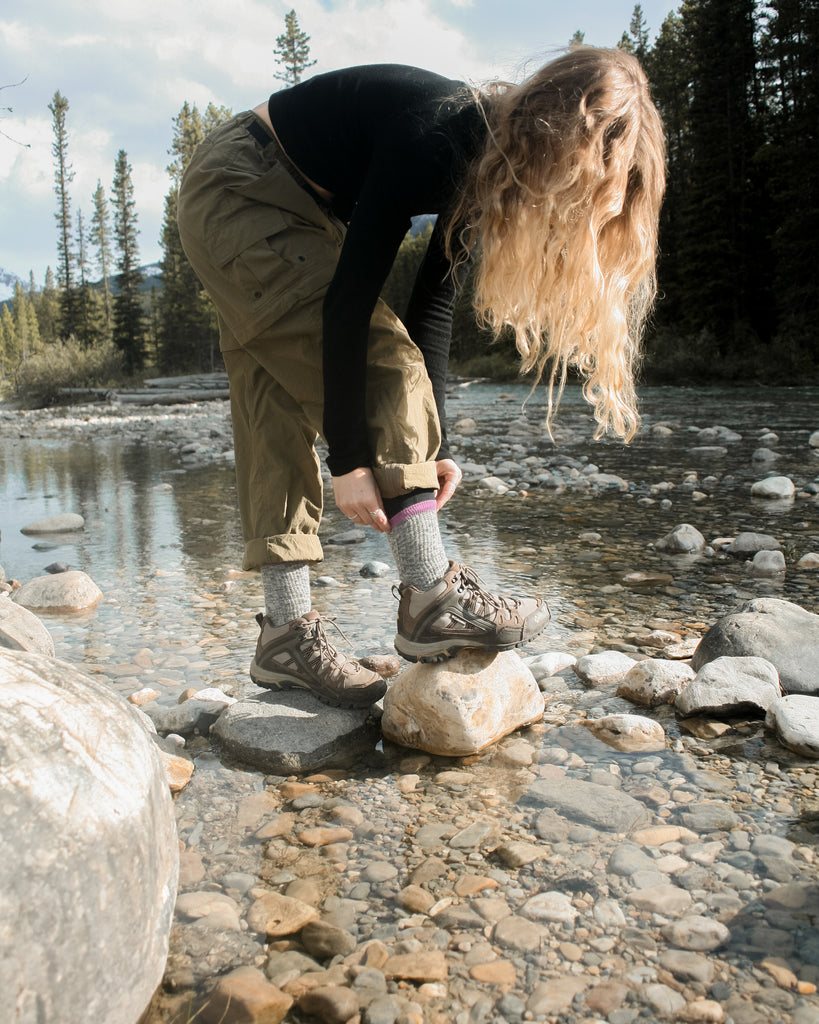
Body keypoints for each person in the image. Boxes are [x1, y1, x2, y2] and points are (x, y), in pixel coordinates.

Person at [177, 47, 665, 709]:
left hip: (258, 196)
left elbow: (429, 306)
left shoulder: (483, 166)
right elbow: (349, 309)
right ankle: (430, 597)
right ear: (551, 138)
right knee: (386, 362)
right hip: (244, 187)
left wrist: (433, 452)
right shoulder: (436, 136)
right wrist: (351, 461)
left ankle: (285, 637)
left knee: (273, 403)